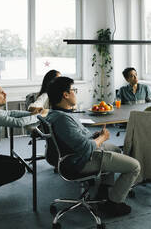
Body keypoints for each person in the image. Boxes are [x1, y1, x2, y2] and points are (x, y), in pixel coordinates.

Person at [46, 76, 140, 216]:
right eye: (73, 90)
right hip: (79, 161)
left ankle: (104, 189)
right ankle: (113, 204)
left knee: (115, 149)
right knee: (134, 167)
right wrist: (102, 138)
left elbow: (75, 139)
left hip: (72, 156)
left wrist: (93, 136)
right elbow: (85, 147)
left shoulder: (55, 114)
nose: (75, 93)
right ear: (65, 95)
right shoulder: (63, 119)